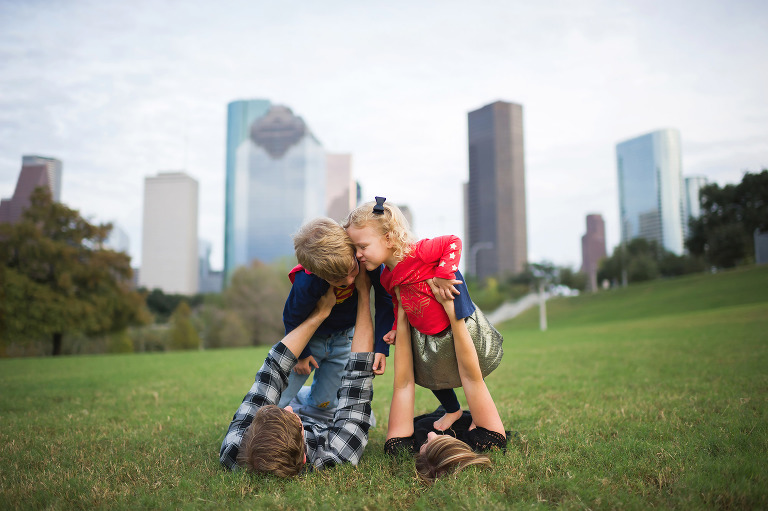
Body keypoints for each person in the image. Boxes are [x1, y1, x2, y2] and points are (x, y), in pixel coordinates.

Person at [344, 197, 503, 431]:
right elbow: (399, 303)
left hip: (455, 326)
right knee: (431, 377)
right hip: (426, 334)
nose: (358, 254)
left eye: (363, 247)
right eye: (355, 248)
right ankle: (453, 410)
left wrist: (443, 273)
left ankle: (480, 418)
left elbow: (453, 242)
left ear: (388, 238)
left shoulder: (420, 252)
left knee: (469, 373)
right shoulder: (386, 276)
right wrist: (397, 329)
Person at [219, 270, 377, 476]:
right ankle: (309, 401)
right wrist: (364, 293)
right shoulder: (340, 454)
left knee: (294, 398)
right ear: (304, 456)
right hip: (325, 414)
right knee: (359, 415)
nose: (289, 409)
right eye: (293, 419)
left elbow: (274, 369)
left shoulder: (234, 449)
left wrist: (319, 314)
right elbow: (358, 377)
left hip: (313, 401)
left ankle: (305, 398)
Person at [385, 281, 507, 482]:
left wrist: (402, 311)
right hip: (476, 415)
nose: (431, 434)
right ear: (458, 447)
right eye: (439, 440)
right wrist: (453, 314)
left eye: (425, 445)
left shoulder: (400, 449)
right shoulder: (488, 441)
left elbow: (404, 385)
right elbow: (472, 379)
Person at [279, 218, 394, 424]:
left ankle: (305, 400)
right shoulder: (307, 282)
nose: (350, 281)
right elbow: (292, 317)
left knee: (324, 402)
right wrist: (302, 355)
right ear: (319, 274)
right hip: (310, 339)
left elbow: (385, 301)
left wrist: (381, 348)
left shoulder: (365, 262)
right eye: (339, 281)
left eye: (351, 271)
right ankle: (276, 414)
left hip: (343, 339)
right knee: (280, 395)